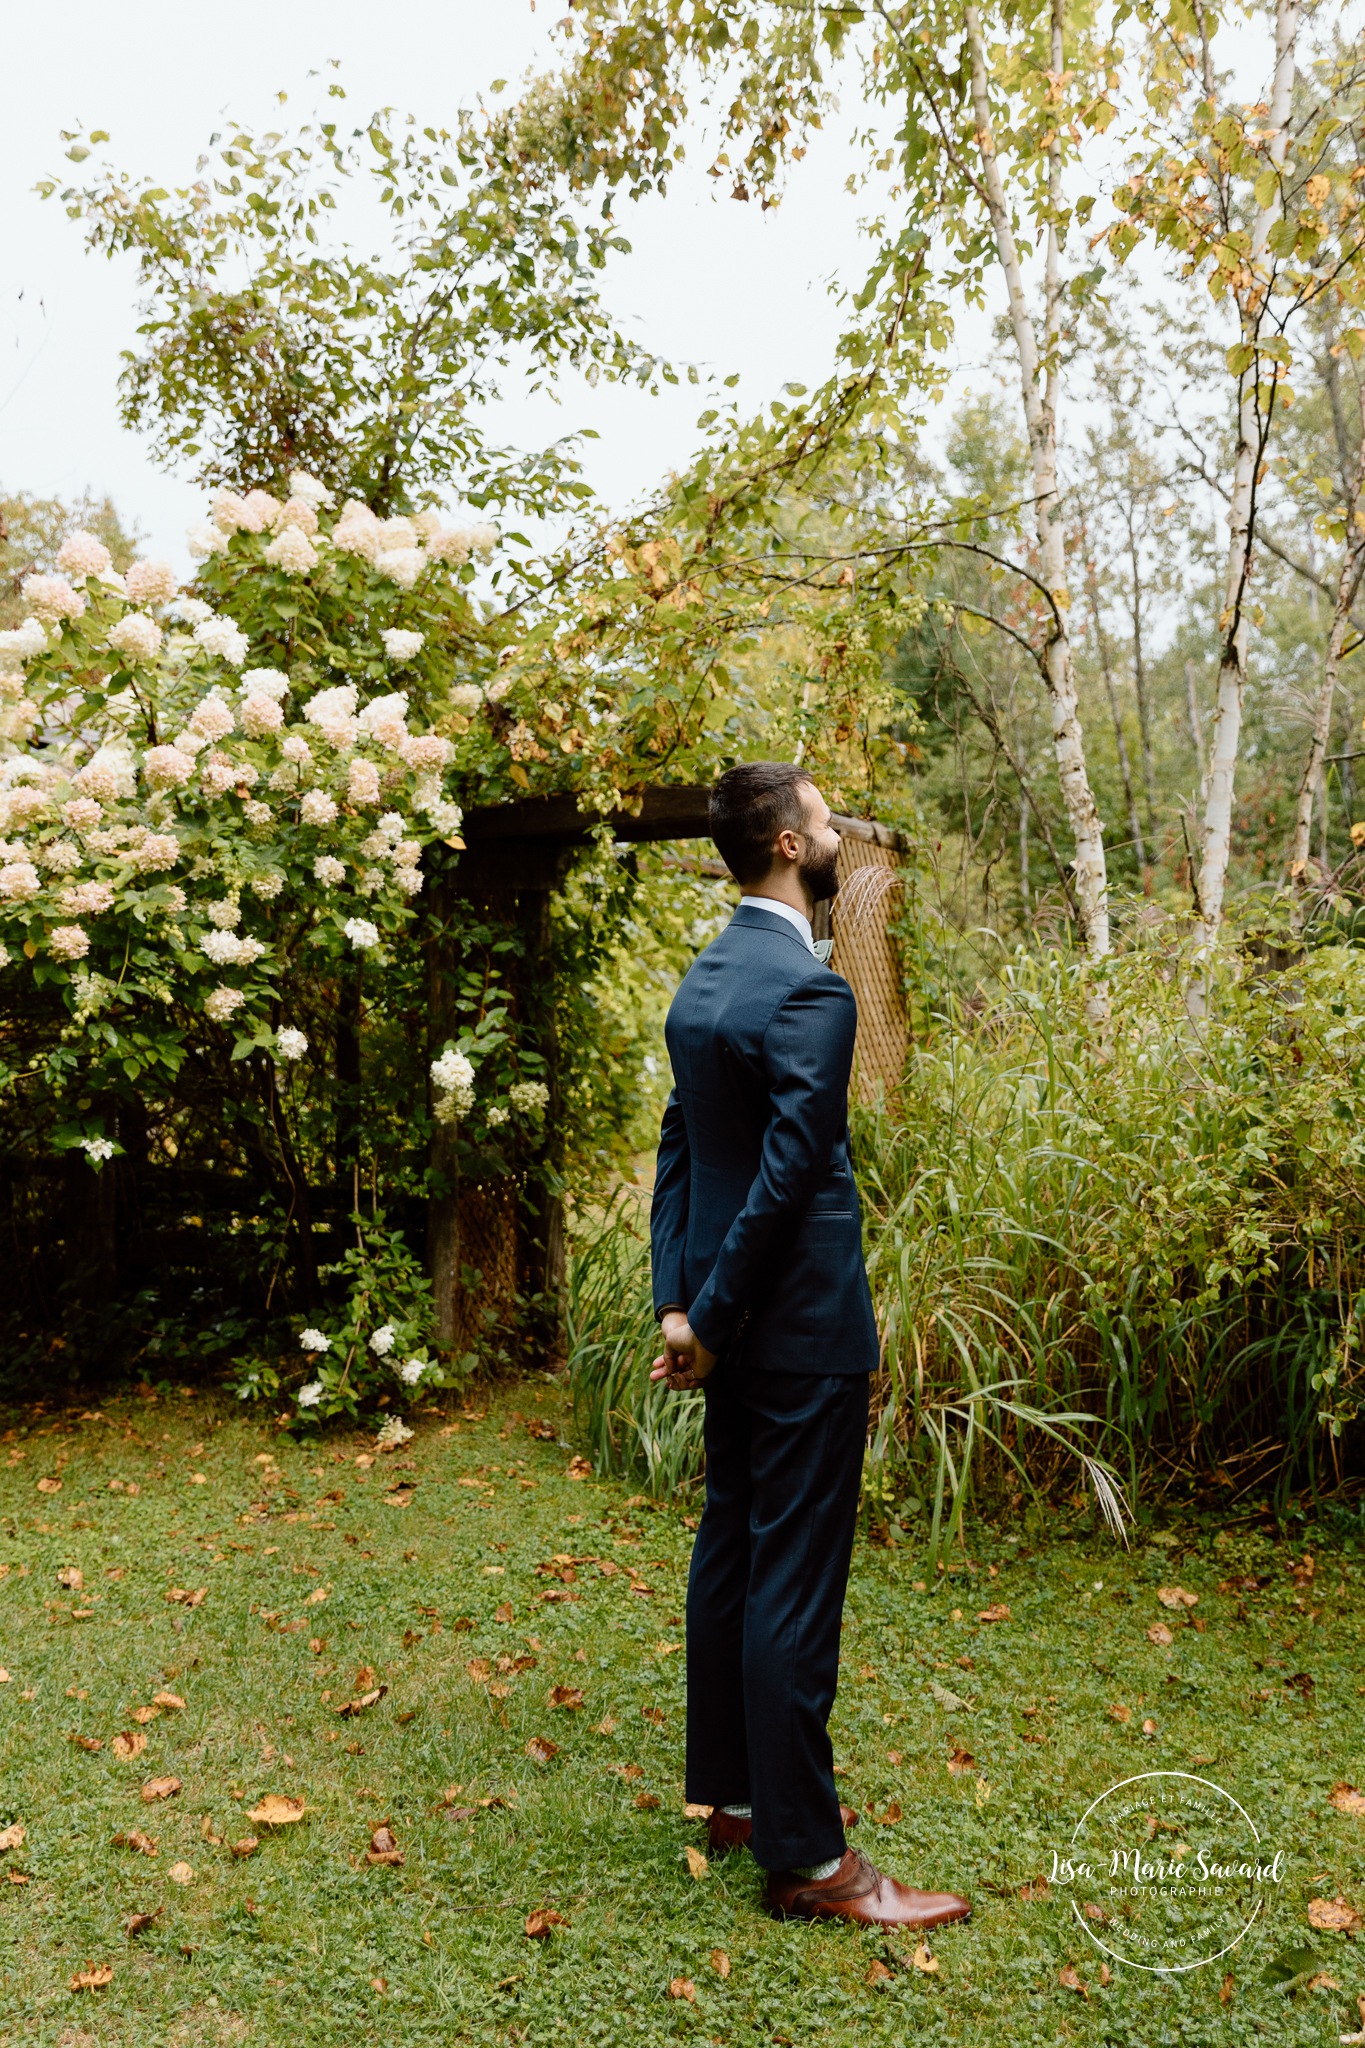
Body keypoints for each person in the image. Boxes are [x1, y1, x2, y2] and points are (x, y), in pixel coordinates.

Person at [648, 761, 972, 1929]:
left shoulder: (704, 983)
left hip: (730, 1328)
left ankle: (735, 1794)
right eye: (826, 818)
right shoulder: (808, 993)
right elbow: (789, 1179)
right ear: (789, 844)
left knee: (733, 1547)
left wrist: (679, 1310)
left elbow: (679, 1151)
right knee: (791, 1581)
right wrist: (717, 1319)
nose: (837, 832)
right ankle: (811, 1859)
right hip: (801, 1333)